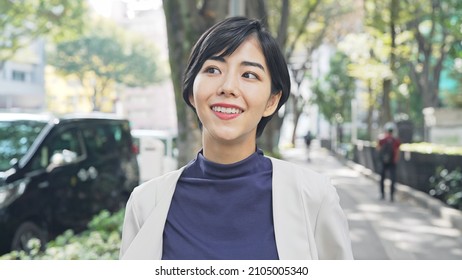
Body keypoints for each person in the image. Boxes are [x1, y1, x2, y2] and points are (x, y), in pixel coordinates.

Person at [119, 16, 353, 260]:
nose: (228, 86)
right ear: (191, 92)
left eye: (249, 75)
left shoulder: (314, 197)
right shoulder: (145, 203)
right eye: (213, 70)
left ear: (272, 101)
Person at [377, 124, 401, 202]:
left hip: (383, 161)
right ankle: (391, 196)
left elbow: (378, 149)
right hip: (392, 162)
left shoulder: (382, 139)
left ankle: (382, 194)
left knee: (382, 178)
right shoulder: (396, 140)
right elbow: (397, 151)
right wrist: (395, 159)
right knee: (392, 179)